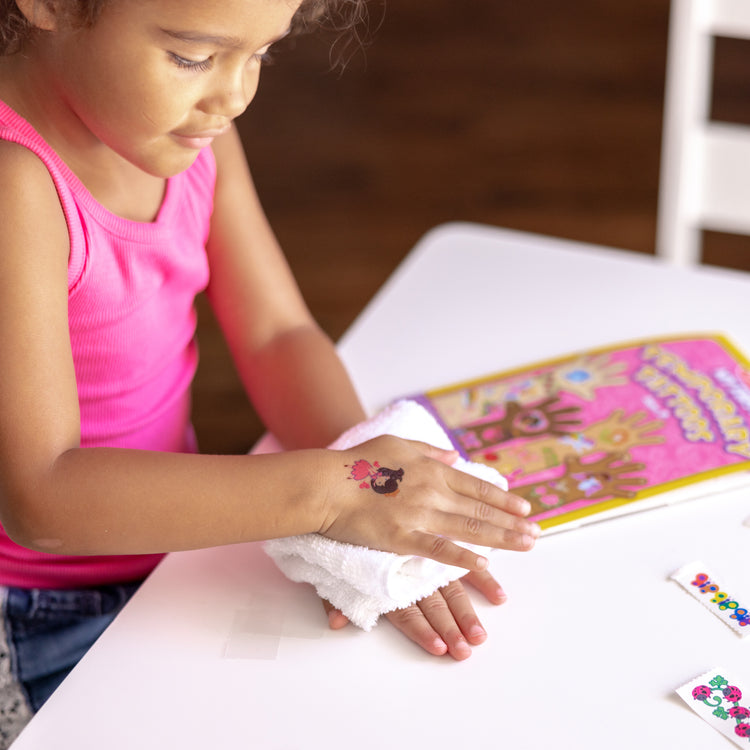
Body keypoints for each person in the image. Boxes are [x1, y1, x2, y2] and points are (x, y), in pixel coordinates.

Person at [0, 0, 540, 742]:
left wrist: (367, 511)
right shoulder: (15, 186)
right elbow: (43, 499)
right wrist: (336, 491)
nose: (234, 96)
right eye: (194, 57)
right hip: (37, 610)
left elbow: (277, 333)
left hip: (172, 553)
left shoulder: (195, 136)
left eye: (260, 55)